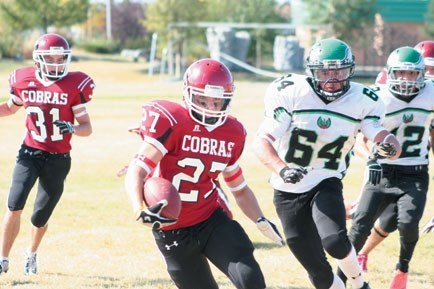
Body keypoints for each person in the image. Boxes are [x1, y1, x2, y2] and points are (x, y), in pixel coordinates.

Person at [253, 37, 401, 289]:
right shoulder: (291, 91)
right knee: (318, 273)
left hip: (326, 179)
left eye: (338, 71)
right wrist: (283, 169)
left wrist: (390, 145)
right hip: (287, 187)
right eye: (324, 72)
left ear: (350, 70)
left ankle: (359, 283)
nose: (332, 79)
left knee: (334, 240)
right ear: (312, 72)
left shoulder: (362, 99)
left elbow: (381, 136)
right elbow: (261, 142)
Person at [124, 58, 284, 289]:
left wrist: (259, 218)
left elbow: (238, 187)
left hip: (210, 219)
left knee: (251, 280)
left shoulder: (232, 132)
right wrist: (138, 207)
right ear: (188, 94)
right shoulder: (172, 121)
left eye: (216, 101)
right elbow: (137, 171)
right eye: (202, 99)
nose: (210, 107)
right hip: (171, 229)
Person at [0, 33, 95, 275]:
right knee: (14, 204)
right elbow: (11, 107)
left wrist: (73, 127)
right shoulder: (24, 80)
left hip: (58, 158)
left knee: (40, 216)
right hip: (29, 152)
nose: (55, 64)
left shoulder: (74, 85)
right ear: (38, 60)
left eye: (59, 59)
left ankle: (31, 253)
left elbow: (87, 127)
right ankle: (2, 259)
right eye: (49, 59)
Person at [345, 46, 434, 289]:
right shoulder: (378, 97)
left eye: (412, 74)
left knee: (407, 223)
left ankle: (402, 269)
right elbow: (357, 140)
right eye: (401, 73)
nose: (406, 80)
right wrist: (371, 158)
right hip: (382, 171)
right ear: (390, 73)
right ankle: (341, 278)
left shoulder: (431, 94)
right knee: (359, 227)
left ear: (422, 74)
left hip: (415, 172)